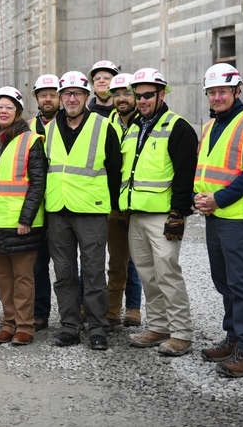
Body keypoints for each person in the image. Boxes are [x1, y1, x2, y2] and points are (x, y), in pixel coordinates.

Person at [194, 63, 243, 378]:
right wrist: (199, 198)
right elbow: (207, 169)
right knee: (224, 282)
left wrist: (219, 199)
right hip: (215, 215)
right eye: (212, 92)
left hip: (238, 218)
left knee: (240, 284)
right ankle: (233, 338)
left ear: (236, 90)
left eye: (222, 91)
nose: (217, 97)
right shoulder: (211, 127)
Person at [120, 68, 198, 357]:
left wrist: (178, 213)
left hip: (163, 215)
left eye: (148, 95)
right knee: (147, 274)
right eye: (138, 95)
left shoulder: (178, 127)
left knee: (167, 272)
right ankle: (158, 326)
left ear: (162, 94)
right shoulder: (134, 127)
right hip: (136, 215)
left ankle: (181, 332)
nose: (142, 100)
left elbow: (184, 174)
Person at [43, 71, 122, 351]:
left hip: (91, 210)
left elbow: (115, 169)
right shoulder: (49, 128)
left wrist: (112, 206)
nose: (72, 98)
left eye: (77, 93)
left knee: (93, 272)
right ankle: (70, 326)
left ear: (87, 97)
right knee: (63, 272)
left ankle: (97, 327)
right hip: (58, 209)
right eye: (67, 94)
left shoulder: (103, 127)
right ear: (61, 98)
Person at [0, 87, 46, 345]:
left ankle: (25, 327)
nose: (3, 111)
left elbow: (38, 184)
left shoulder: (31, 140)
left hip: (20, 224)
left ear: (18, 111)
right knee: (3, 279)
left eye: (9, 107)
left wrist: (26, 219)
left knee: (23, 279)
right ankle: (8, 324)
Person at [105, 72, 143, 328]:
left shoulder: (149, 123)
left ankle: (137, 309)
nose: (121, 99)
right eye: (116, 94)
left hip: (142, 206)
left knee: (145, 265)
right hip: (114, 206)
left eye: (126, 93)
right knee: (117, 263)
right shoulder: (107, 124)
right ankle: (111, 312)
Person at [31, 74, 60, 331]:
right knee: (38, 263)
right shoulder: (28, 127)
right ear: (36, 99)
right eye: (43, 95)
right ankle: (39, 312)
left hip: (64, 203)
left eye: (52, 94)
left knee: (66, 264)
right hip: (37, 205)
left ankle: (73, 313)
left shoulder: (69, 124)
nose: (48, 98)